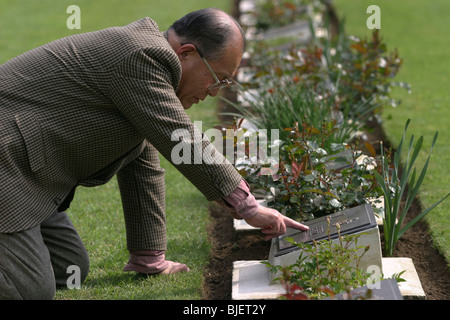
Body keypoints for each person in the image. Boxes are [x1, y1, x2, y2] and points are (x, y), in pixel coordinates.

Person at [0, 8, 308, 299]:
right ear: (187, 53)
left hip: (26, 179)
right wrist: (247, 206)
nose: (215, 91)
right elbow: (181, 138)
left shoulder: (146, 74)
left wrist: (149, 256)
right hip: (8, 163)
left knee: (69, 269)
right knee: (29, 290)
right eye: (217, 79)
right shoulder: (142, 56)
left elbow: (144, 166)